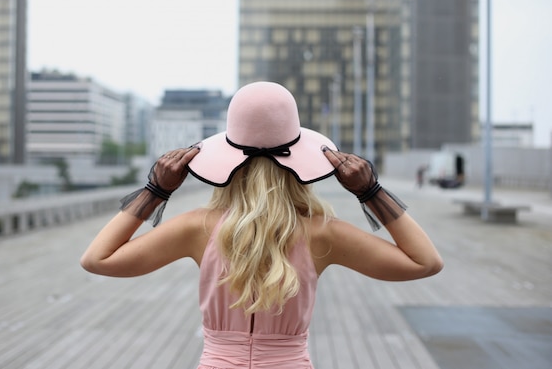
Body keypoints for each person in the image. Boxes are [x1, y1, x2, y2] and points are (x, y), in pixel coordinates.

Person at [81, 82, 443, 369]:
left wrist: (155, 190)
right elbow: (424, 262)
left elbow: (97, 259)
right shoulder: (322, 233)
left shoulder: (198, 228)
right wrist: (371, 191)